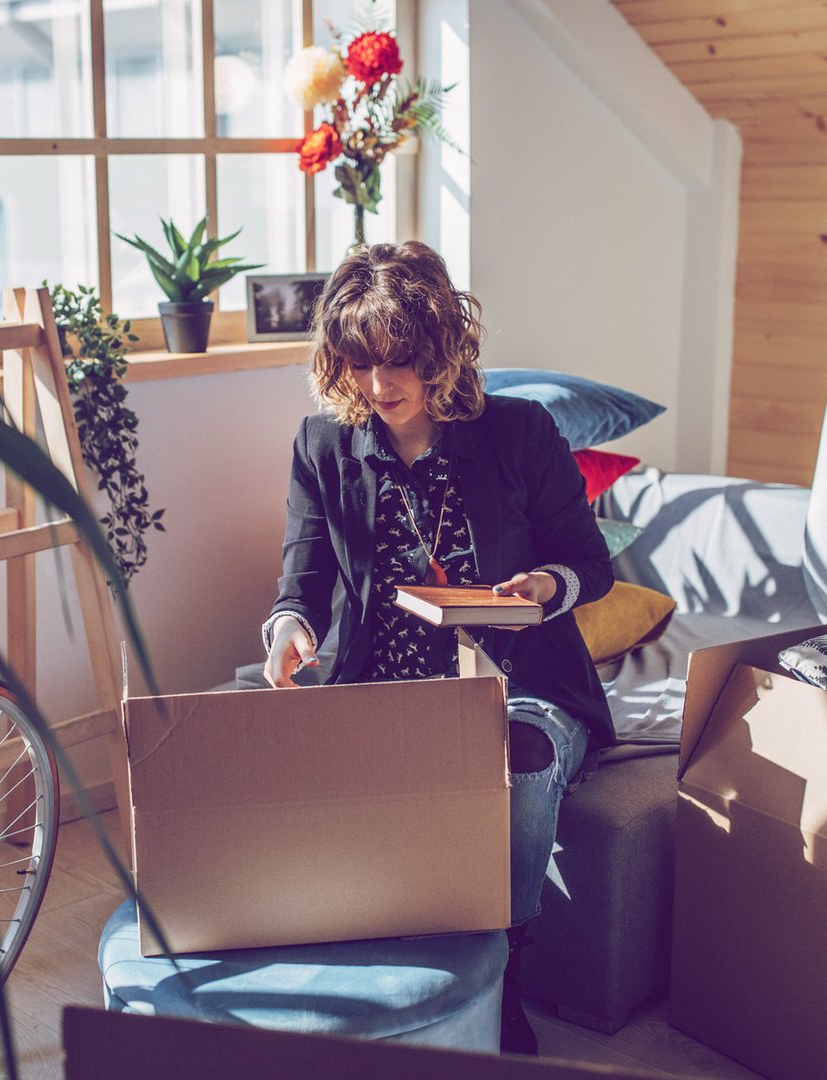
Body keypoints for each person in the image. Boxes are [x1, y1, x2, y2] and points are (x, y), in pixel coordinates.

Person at [261, 241, 615, 1055]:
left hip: (518, 688)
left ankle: (504, 973)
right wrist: (288, 631)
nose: (380, 388)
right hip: (382, 685)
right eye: (359, 364)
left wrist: (546, 588)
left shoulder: (520, 433)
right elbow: (301, 582)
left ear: (441, 352)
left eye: (400, 363)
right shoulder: (324, 445)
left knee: (520, 752)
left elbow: (589, 565)